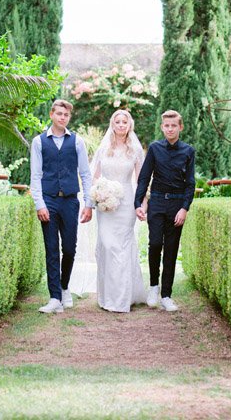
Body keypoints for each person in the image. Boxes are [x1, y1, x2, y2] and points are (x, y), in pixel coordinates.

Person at [30, 99, 93, 313]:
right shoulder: (39, 142)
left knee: (69, 248)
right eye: (58, 114)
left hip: (70, 201)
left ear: (69, 117)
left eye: (65, 115)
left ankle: (65, 287)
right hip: (48, 200)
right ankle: (54, 297)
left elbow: (85, 174)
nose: (62, 117)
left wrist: (88, 204)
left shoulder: (77, 142)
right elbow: (36, 176)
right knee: (51, 250)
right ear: (51, 115)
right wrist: (39, 204)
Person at [134, 110, 196, 312]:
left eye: (173, 125)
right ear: (162, 127)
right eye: (166, 126)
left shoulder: (188, 151)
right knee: (154, 244)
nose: (170, 129)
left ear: (180, 127)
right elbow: (144, 177)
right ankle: (154, 286)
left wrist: (184, 208)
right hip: (157, 203)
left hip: (177, 205)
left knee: (171, 249)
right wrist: (138, 203)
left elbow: (190, 183)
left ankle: (167, 295)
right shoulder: (154, 148)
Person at [91, 109, 148, 312]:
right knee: (107, 245)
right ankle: (107, 296)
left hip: (126, 206)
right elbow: (94, 177)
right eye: (118, 121)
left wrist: (142, 205)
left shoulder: (135, 150)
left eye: (125, 122)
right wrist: (99, 194)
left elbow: (141, 180)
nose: (121, 125)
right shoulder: (104, 148)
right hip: (105, 205)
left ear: (129, 125)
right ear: (112, 124)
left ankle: (121, 299)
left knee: (122, 248)